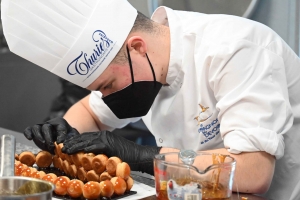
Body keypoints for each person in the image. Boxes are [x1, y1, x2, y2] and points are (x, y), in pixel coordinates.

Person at [2, 0, 300, 199]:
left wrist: (146, 157)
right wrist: (64, 129)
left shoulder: (235, 50)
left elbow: (254, 172)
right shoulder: (146, 65)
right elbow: (90, 113)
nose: (106, 98)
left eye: (107, 85)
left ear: (138, 47)